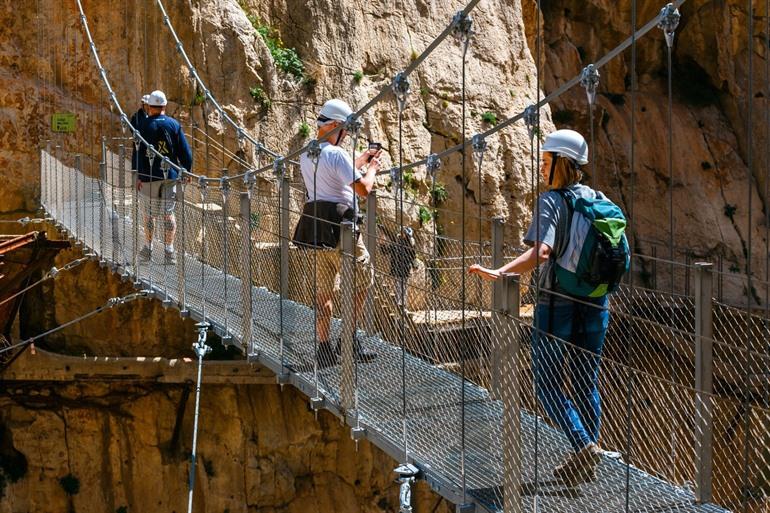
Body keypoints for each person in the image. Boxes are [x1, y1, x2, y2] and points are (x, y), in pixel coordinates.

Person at [469, 129, 618, 487]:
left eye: (546, 161)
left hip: (557, 303)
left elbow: (542, 252)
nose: (540, 168)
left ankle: (585, 447)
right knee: (586, 382)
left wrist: (501, 271)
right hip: (597, 302)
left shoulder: (551, 201)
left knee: (547, 383)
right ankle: (587, 457)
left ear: (561, 164)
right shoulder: (598, 199)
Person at [292, 98, 382, 368]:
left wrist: (361, 160)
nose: (345, 136)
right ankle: (348, 339)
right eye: (344, 130)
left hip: (317, 232)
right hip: (343, 230)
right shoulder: (337, 154)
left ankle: (324, 349)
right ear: (334, 126)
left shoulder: (307, 153)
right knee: (364, 279)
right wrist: (373, 168)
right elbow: (364, 189)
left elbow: (333, 170)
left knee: (323, 293)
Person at [137, 90, 192, 265]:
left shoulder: (143, 126)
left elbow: (139, 154)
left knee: (149, 214)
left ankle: (148, 248)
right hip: (171, 176)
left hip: (149, 176)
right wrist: (186, 170)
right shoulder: (174, 124)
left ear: (149, 106)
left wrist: (139, 175)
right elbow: (186, 152)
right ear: (164, 106)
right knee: (168, 214)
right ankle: (170, 251)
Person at [383, 226, 417, 310]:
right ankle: (401, 304)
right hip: (400, 267)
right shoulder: (402, 243)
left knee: (401, 286)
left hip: (402, 268)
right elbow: (386, 251)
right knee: (401, 286)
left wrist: (382, 245)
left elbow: (413, 256)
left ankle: (401, 303)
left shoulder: (404, 243)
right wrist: (382, 244)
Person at [130, 94, 150, 171]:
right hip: (139, 143)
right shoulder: (136, 117)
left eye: (149, 105)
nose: (148, 107)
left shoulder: (151, 116)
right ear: (143, 105)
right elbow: (132, 128)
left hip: (149, 143)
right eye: (146, 105)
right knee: (138, 163)